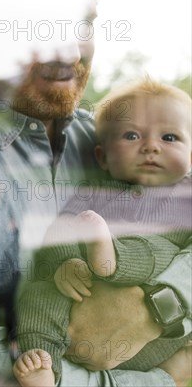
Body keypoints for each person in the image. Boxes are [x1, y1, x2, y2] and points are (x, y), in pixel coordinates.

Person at [0, 0, 192, 386]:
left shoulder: (116, 141)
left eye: (82, 24)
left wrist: (167, 302)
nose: (66, 49)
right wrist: (162, 380)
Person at [14, 80, 192, 387]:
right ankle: (43, 359)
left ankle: (113, 257)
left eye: (169, 137)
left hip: (154, 336)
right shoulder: (92, 195)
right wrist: (64, 264)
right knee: (38, 290)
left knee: (159, 249)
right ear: (103, 157)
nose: (151, 146)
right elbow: (60, 231)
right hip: (80, 304)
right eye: (132, 135)